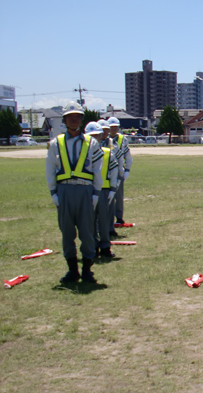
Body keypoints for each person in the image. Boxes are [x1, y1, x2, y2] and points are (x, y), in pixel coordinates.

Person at [45, 103, 104, 283]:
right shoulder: (56, 143)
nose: (74, 119)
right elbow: (50, 168)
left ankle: (87, 269)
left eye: (77, 116)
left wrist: (95, 193)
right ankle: (72, 270)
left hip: (85, 189)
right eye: (70, 116)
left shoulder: (91, 143)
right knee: (67, 232)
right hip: (64, 190)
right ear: (64, 120)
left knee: (87, 232)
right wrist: (53, 193)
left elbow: (97, 169)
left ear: (81, 119)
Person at [86, 122, 118, 258]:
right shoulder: (82, 153)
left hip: (103, 190)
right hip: (87, 191)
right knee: (88, 221)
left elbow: (114, 170)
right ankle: (92, 247)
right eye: (91, 136)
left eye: (96, 136)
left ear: (100, 137)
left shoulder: (107, 153)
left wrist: (112, 188)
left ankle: (105, 246)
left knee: (104, 220)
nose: (94, 139)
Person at [107, 117, 133, 226]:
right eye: (111, 127)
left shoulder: (123, 139)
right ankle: (108, 217)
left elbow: (128, 156)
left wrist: (127, 170)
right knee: (108, 196)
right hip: (106, 171)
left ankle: (119, 216)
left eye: (115, 127)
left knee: (118, 196)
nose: (113, 129)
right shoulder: (104, 138)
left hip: (119, 170)